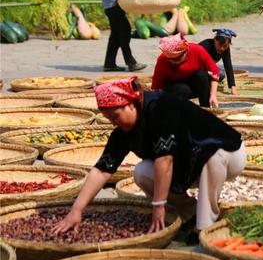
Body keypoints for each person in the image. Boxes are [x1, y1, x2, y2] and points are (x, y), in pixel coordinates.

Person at [52, 77, 246, 235]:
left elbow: (165, 159)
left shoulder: (161, 108)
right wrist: (76, 210)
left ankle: (205, 226)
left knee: (212, 157)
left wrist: (158, 205)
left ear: (131, 104)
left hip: (229, 154)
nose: (113, 123)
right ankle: (188, 212)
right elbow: (102, 170)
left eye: (115, 115)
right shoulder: (123, 131)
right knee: (142, 171)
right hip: (187, 163)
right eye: (108, 118)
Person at [151, 34, 221, 108]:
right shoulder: (162, 59)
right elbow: (157, 85)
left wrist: (213, 95)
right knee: (183, 89)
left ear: (185, 52)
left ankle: (205, 106)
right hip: (175, 87)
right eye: (171, 60)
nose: (174, 62)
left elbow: (215, 72)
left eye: (177, 59)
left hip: (194, 85)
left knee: (201, 75)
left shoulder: (197, 50)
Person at [200, 28, 238, 95]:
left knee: (221, 74)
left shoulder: (225, 50)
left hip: (209, 71)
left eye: (225, 46)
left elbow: (228, 66)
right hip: (197, 70)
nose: (222, 48)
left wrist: (232, 86)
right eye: (220, 45)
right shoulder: (206, 45)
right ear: (215, 40)